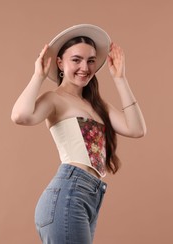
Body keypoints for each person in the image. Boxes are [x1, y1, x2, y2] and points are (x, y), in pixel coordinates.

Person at [11, 24, 146, 244]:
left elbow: (137, 129)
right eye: (76, 60)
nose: (85, 67)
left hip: (88, 196)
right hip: (69, 192)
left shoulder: (97, 104)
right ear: (60, 63)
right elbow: (20, 116)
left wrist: (120, 78)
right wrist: (38, 76)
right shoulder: (54, 99)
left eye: (91, 60)